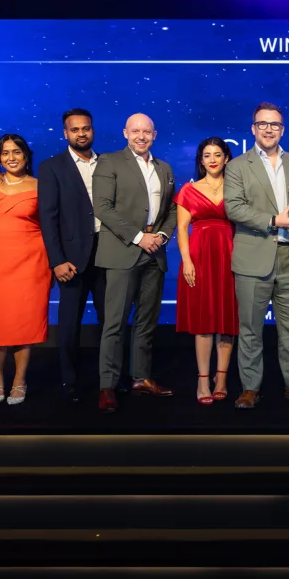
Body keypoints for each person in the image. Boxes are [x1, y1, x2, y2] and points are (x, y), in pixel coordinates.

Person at [224, 102, 289, 409]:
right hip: (254, 258)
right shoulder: (237, 165)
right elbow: (234, 207)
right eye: (263, 124)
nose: (269, 129)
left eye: (275, 125)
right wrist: (273, 220)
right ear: (253, 128)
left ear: (283, 129)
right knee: (250, 329)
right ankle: (250, 388)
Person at [91, 113, 176, 413]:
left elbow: (171, 210)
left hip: (155, 253)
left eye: (147, 131)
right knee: (114, 324)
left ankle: (141, 378)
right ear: (125, 133)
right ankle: (107, 386)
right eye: (136, 131)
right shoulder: (109, 162)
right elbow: (103, 207)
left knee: (146, 322)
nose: (141, 136)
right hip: (123, 251)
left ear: (154, 135)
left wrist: (162, 236)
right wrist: (139, 237)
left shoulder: (164, 168)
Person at [0, 134, 50, 406]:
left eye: (17, 152)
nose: (11, 157)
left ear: (26, 155)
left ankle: (19, 380)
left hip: (30, 261)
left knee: (24, 321)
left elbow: (50, 225)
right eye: (5, 152)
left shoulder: (40, 186)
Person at [38, 109, 102, 403]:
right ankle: (70, 381)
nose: (81, 134)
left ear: (92, 130)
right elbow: (48, 218)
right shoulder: (52, 167)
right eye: (75, 130)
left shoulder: (108, 163)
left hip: (107, 255)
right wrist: (56, 260)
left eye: (85, 128)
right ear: (65, 133)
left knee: (110, 323)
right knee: (68, 325)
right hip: (72, 259)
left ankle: (109, 379)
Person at [176, 137, 239, 404]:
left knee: (227, 320)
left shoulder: (237, 187)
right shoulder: (189, 190)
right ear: (201, 161)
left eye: (217, 154)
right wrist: (187, 261)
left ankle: (221, 378)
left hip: (231, 257)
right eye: (207, 155)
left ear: (226, 158)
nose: (212, 160)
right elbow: (181, 229)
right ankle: (203, 380)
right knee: (203, 322)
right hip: (199, 258)